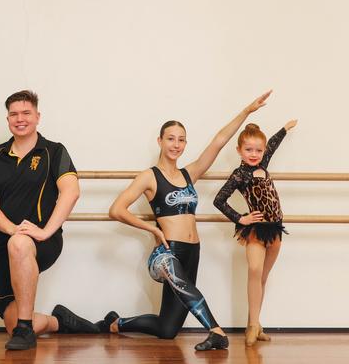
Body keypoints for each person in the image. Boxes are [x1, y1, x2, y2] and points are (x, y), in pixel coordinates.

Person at [101, 91, 273, 351]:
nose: (176, 145)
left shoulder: (188, 173)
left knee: (167, 329)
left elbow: (218, 142)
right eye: (170, 139)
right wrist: (152, 229)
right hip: (168, 251)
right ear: (160, 141)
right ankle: (216, 332)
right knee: (186, 291)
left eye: (181, 140)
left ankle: (116, 323)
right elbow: (116, 209)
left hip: (192, 250)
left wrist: (246, 111)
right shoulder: (149, 176)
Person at [0, 90, 99, 351]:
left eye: (26, 113)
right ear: (7, 118)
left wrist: (45, 232)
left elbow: (71, 191)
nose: (20, 119)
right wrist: (13, 230)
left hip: (43, 241)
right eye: (14, 114)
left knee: (21, 244)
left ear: (37, 116)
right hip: (5, 243)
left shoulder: (54, 151)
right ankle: (60, 321)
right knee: (10, 323)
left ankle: (26, 329)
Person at [213, 120, 297, 346]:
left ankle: (257, 323)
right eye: (248, 150)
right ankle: (251, 326)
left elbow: (272, 145)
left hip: (276, 228)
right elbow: (219, 200)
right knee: (254, 269)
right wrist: (240, 218)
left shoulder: (264, 163)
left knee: (262, 277)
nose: (254, 154)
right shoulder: (240, 174)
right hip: (256, 229)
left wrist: (284, 129)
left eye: (258, 150)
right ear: (239, 150)